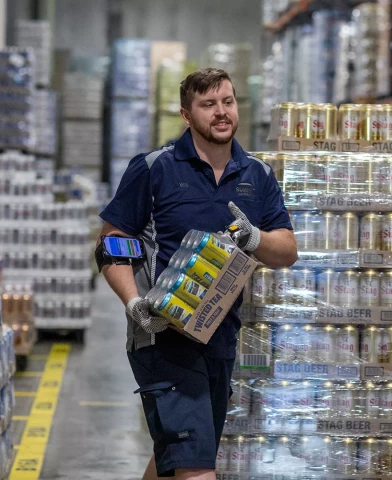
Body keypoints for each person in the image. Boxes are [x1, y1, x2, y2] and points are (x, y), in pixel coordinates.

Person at [97, 67, 298, 480]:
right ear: (187, 115)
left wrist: (254, 237)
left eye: (227, 102)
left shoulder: (256, 174)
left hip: (220, 335)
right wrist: (134, 302)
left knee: (178, 458)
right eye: (208, 105)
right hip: (161, 334)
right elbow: (110, 246)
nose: (221, 112)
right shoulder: (155, 168)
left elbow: (287, 251)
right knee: (197, 469)